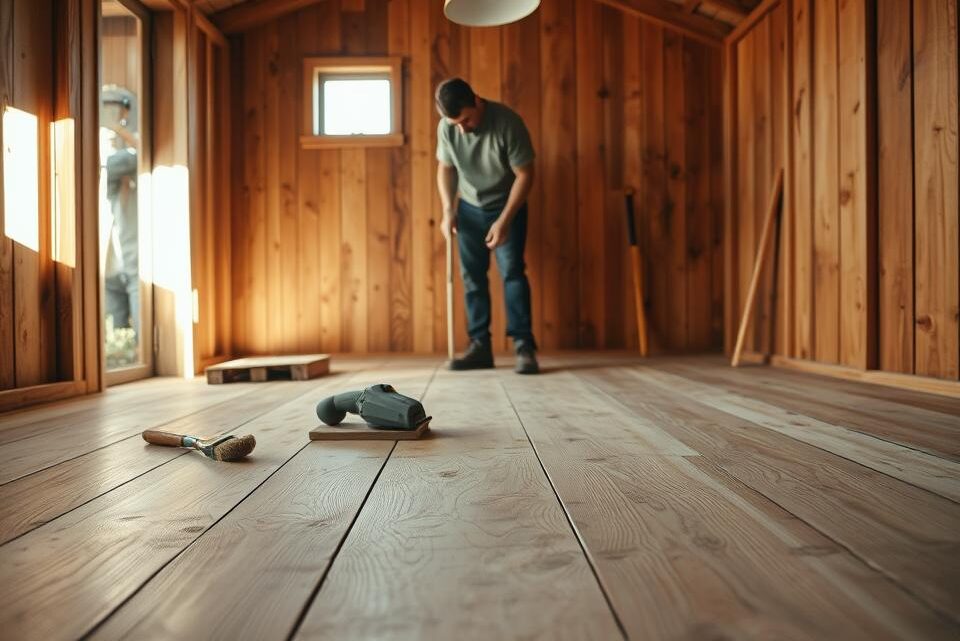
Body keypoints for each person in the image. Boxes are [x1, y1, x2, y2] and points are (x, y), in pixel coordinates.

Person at [435, 77, 539, 374]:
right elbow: (445, 167)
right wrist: (447, 209)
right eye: (455, 123)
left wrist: (505, 219)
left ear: (477, 101)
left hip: (508, 206)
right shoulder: (448, 127)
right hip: (468, 208)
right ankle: (480, 347)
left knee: (513, 274)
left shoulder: (508, 123)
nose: (462, 129)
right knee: (472, 278)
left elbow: (525, 175)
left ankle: (524, 346)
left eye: (466, 120)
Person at [99, 85, 140, 335]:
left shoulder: (128, 153)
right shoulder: (102, 154)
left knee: (133, 281)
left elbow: (137, 155)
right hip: (107, 248)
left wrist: (117, 129)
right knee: (113, 290)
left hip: (127, 242)